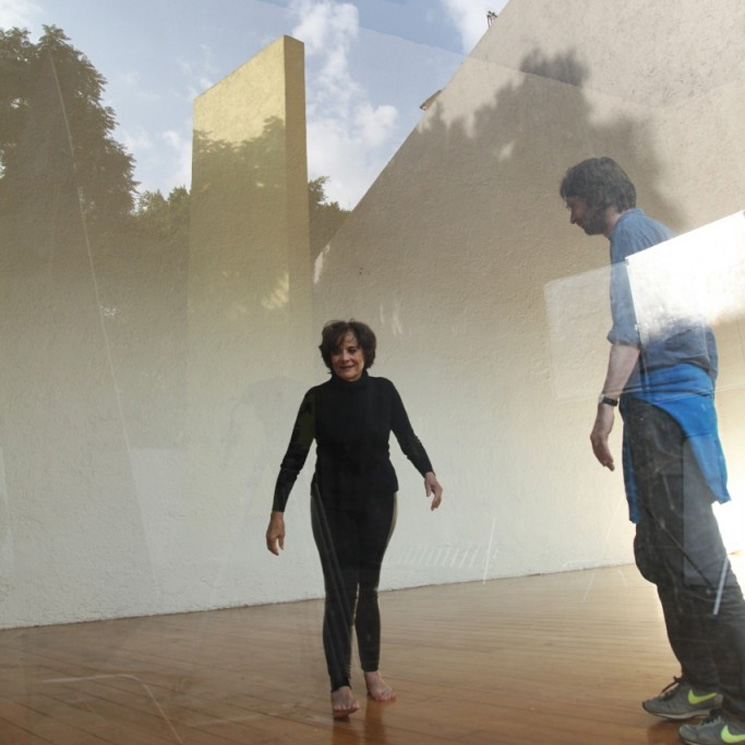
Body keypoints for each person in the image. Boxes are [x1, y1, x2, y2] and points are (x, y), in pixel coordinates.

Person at [560, 157, 745, 745]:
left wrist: (605, 405)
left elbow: (632, 327)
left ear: (597, 196)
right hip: (659, 408)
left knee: (701, 566)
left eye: (574, 204)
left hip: (663, 409)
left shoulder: (633, 233)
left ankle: (741, 712)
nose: (571, 217)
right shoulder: (648, 236)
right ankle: (703, 682)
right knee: (661, 558)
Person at [265, 319, 443, 719]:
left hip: (379, 501)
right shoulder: (316, 399)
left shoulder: (384, 391)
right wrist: (277, 512)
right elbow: (294, 458)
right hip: (331, 506)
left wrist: (428, 472)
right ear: (328, 357)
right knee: (340, 591)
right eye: (337, 352)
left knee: (369, 588)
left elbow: (407, 437)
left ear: (365, 353)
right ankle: (340, 684)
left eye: (352, 350)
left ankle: (372, 673)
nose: (345, 358)